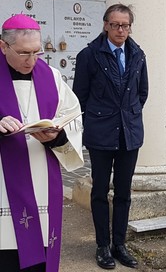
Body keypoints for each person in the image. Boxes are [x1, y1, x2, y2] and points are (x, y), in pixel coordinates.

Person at [0, 14, 84, 271]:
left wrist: (56, 137)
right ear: (3, 46)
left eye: (37, 52)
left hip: (41, 181)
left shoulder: (52, 77)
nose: (32, 60)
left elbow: (72, 117)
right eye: (24, 53)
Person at [73, 3, 148, 270]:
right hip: (101, 133)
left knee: (124, 192)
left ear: (130, 27)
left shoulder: (138, 54)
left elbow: (142, 93)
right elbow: (79, 97)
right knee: (100, 191)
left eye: (125, 25)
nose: (120, 30)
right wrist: (94, 122)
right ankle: (102, 246)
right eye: (115, 24)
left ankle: (120, 244)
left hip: (129, 133)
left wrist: (128, 114)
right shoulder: (89, 55)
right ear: (105, 25)